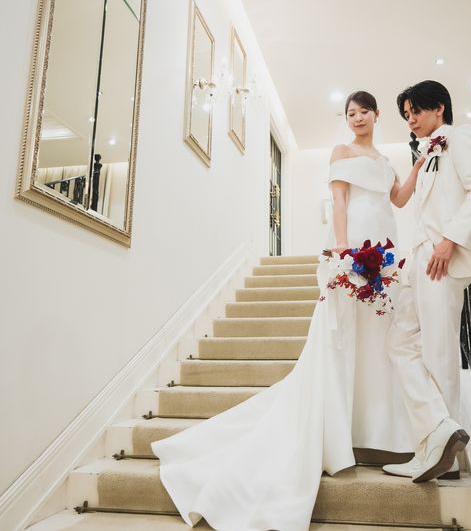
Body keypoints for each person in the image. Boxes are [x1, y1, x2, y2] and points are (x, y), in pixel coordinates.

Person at [153, 91, 425, 530]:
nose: (357, 118)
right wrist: (343, 249)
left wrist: (419, 163)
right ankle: (340, 432)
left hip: (385, 240)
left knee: (380, 335)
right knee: (343, 333)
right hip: (356, 241)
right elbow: (340, 201)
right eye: (350, 113)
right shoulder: (341, 152)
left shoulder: (385, 160)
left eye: (363, 112)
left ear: (377, 115)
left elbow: (398, 198)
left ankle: (376, 431)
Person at [382, 80, 471, 481]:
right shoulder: (427, 152)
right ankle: (439, 434)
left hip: (443, 259)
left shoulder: (461, 137)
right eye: (406, 115)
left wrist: (450, 240)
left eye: (415, 111)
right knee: (399, 342)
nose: (410, 120)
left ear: (439, 108)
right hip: (419, 259)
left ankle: (444, 458)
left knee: (439, 353)